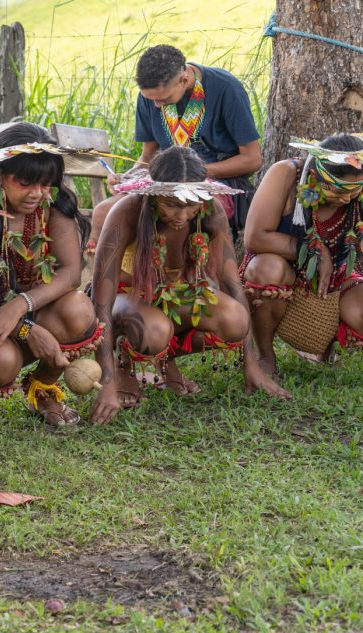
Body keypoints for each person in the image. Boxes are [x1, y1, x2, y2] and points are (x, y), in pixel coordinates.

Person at [89, 147, 288, 425]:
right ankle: (126, 364)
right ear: (154, 193)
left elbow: (231, 284)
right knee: (155, 330)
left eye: (191, 204)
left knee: (234, 319)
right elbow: (101, 299)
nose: (182, 215)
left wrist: (251, 365)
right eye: (171, 204)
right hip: (128, 298)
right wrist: (107, 382)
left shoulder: (210, 211)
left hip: (177, 296)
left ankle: (164, 360)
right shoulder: (127, 211)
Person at [0, 122, 102, 426]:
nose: (37, 194)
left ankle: (43, 387)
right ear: (1, 174)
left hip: (28, 306)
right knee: (0, 363)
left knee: (77, 308)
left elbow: (69, 273)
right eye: (25, 183)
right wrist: (26, 329)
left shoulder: (54, 202)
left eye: (45, 183)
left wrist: (20, 306)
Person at [241, 134, 363, 372]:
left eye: (354, 191)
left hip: (334, 281)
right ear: (316, 176)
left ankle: (325, 346)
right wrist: (317, 252)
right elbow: (254, 238)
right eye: (338, 191)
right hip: (283, 273)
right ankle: (264, 354)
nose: (347, 198)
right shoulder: (286, 175)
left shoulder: (355, 194)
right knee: (265, 269)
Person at [129, 44, 262, 239]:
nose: (156, 105)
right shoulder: (151, 97)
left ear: (184, 80)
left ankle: (199, 269)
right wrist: (128, 177)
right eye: (151, 99)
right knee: (106, 211)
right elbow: (148, 156)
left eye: (164, 100)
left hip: (221, 183)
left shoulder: (225, 89)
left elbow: (252, 159)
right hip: (166, 184)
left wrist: (191, 173)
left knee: (183, 218)